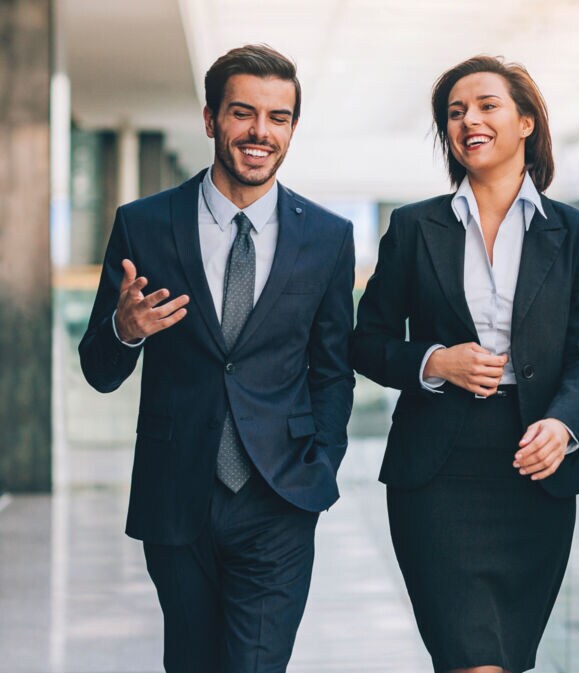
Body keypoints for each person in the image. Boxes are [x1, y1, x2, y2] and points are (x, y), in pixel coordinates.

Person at [78, 44, 355, 673]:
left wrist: (321, 465)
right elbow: (98, 369)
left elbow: (332, 368)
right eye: (243, 112)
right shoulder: (145, 225)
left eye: (278, 117)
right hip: (176, 494)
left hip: (280, 495)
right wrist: (124, 331)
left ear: (292, 128)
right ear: (210, 119)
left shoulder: (327, 237)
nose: (261, 132)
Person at [350, 55, 579, 673]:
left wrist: (564, 425)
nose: (469, 119)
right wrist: (436, 361)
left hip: (535, 462)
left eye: (486, 105)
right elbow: (366, 341)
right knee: (471, 657)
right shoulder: (414, 226)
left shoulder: (578, 233)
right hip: (437, 469)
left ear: (526, 123)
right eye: (455, 112)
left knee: (506, 656)